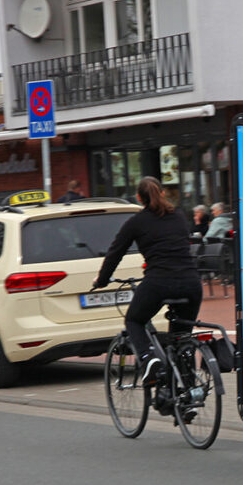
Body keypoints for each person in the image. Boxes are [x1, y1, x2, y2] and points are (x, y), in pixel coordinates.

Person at [94, 177, 202, 412]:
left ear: (139, 198)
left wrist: (101, 281)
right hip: (192, 284)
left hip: (159, 282)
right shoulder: (179, 216)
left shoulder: (136, 222)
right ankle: (188, 397)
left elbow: (115, 253)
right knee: (182, 337)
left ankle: (148, 358)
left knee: (134, 319)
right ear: (162, 193)